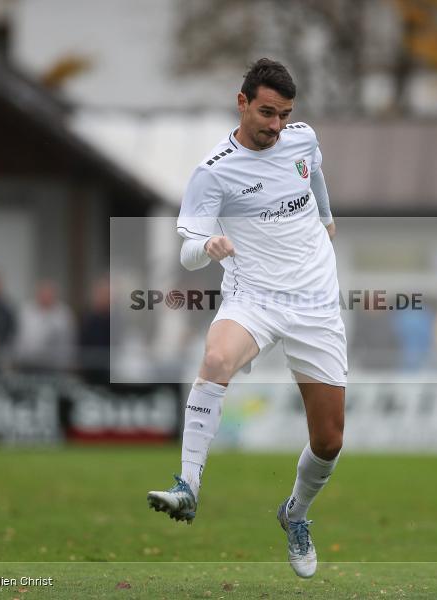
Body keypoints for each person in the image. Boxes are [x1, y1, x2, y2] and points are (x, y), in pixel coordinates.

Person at [146, 59, 344, 579]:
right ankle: (187, 485)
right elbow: (186, 247)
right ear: (242, 102)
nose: (275, 125)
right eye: (265, 112)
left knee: (329, 441)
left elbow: (314, 173)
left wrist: (325, 220)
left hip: (315, 302)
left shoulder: (301, 139)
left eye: (283, 114)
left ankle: (295, 514)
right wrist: (207, 244)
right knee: (215, 358)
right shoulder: (214, 171)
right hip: (252, 296)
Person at [14, 280, 75, 371]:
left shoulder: (63, 313)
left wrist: (66, 362)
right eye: (43, 293)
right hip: (28, 363)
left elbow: (68, 339)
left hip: (54, 366)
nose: (46, 296)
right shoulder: (26, 311)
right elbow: (19, 336)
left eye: (49, 293)